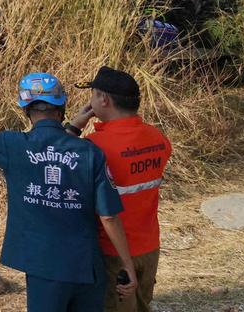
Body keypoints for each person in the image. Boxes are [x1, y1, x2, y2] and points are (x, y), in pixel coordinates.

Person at [0, 75, 139, 312]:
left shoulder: (11, 145)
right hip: (86, 265)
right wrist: (127, 264)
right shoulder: (91, 152)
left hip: (43, 267)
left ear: (26, 109)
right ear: (61, 109)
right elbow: (108, 216)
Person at [69, 67, 171, 312]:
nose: (90, 101)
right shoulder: (158, 139)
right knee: (141, 305)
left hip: (112, 251)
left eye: (93, 95)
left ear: (103, 99)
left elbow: (55, 159)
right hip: (149, 246)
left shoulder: (94, 147)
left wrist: (74, 126)